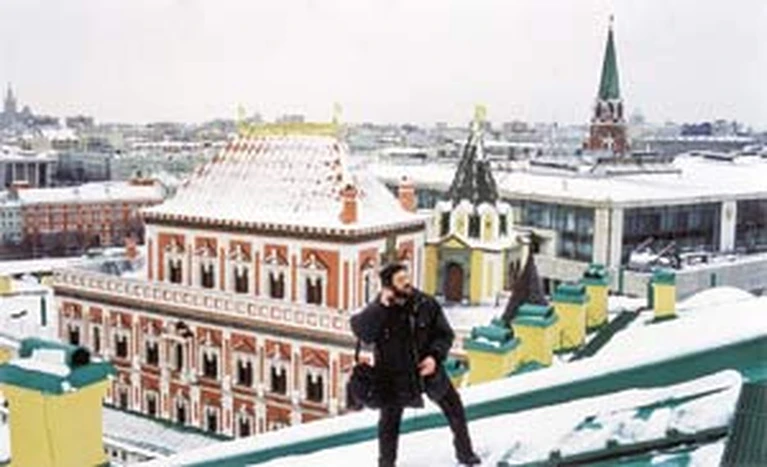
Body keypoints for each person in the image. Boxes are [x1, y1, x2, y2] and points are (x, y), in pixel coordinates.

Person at [351, 262, 481, 467]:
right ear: (388, 286)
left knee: (454, 409)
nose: (407, 282)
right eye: (400, 280)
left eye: (407, 277)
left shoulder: (425, 304)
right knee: (389, 424)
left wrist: (434, 358)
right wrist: (380, 307)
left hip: (427, 371)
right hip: (394, 378)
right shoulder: (379, 310)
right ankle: (386, 464)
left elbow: (444, 335)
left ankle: (466, 454)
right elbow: (362, 332)